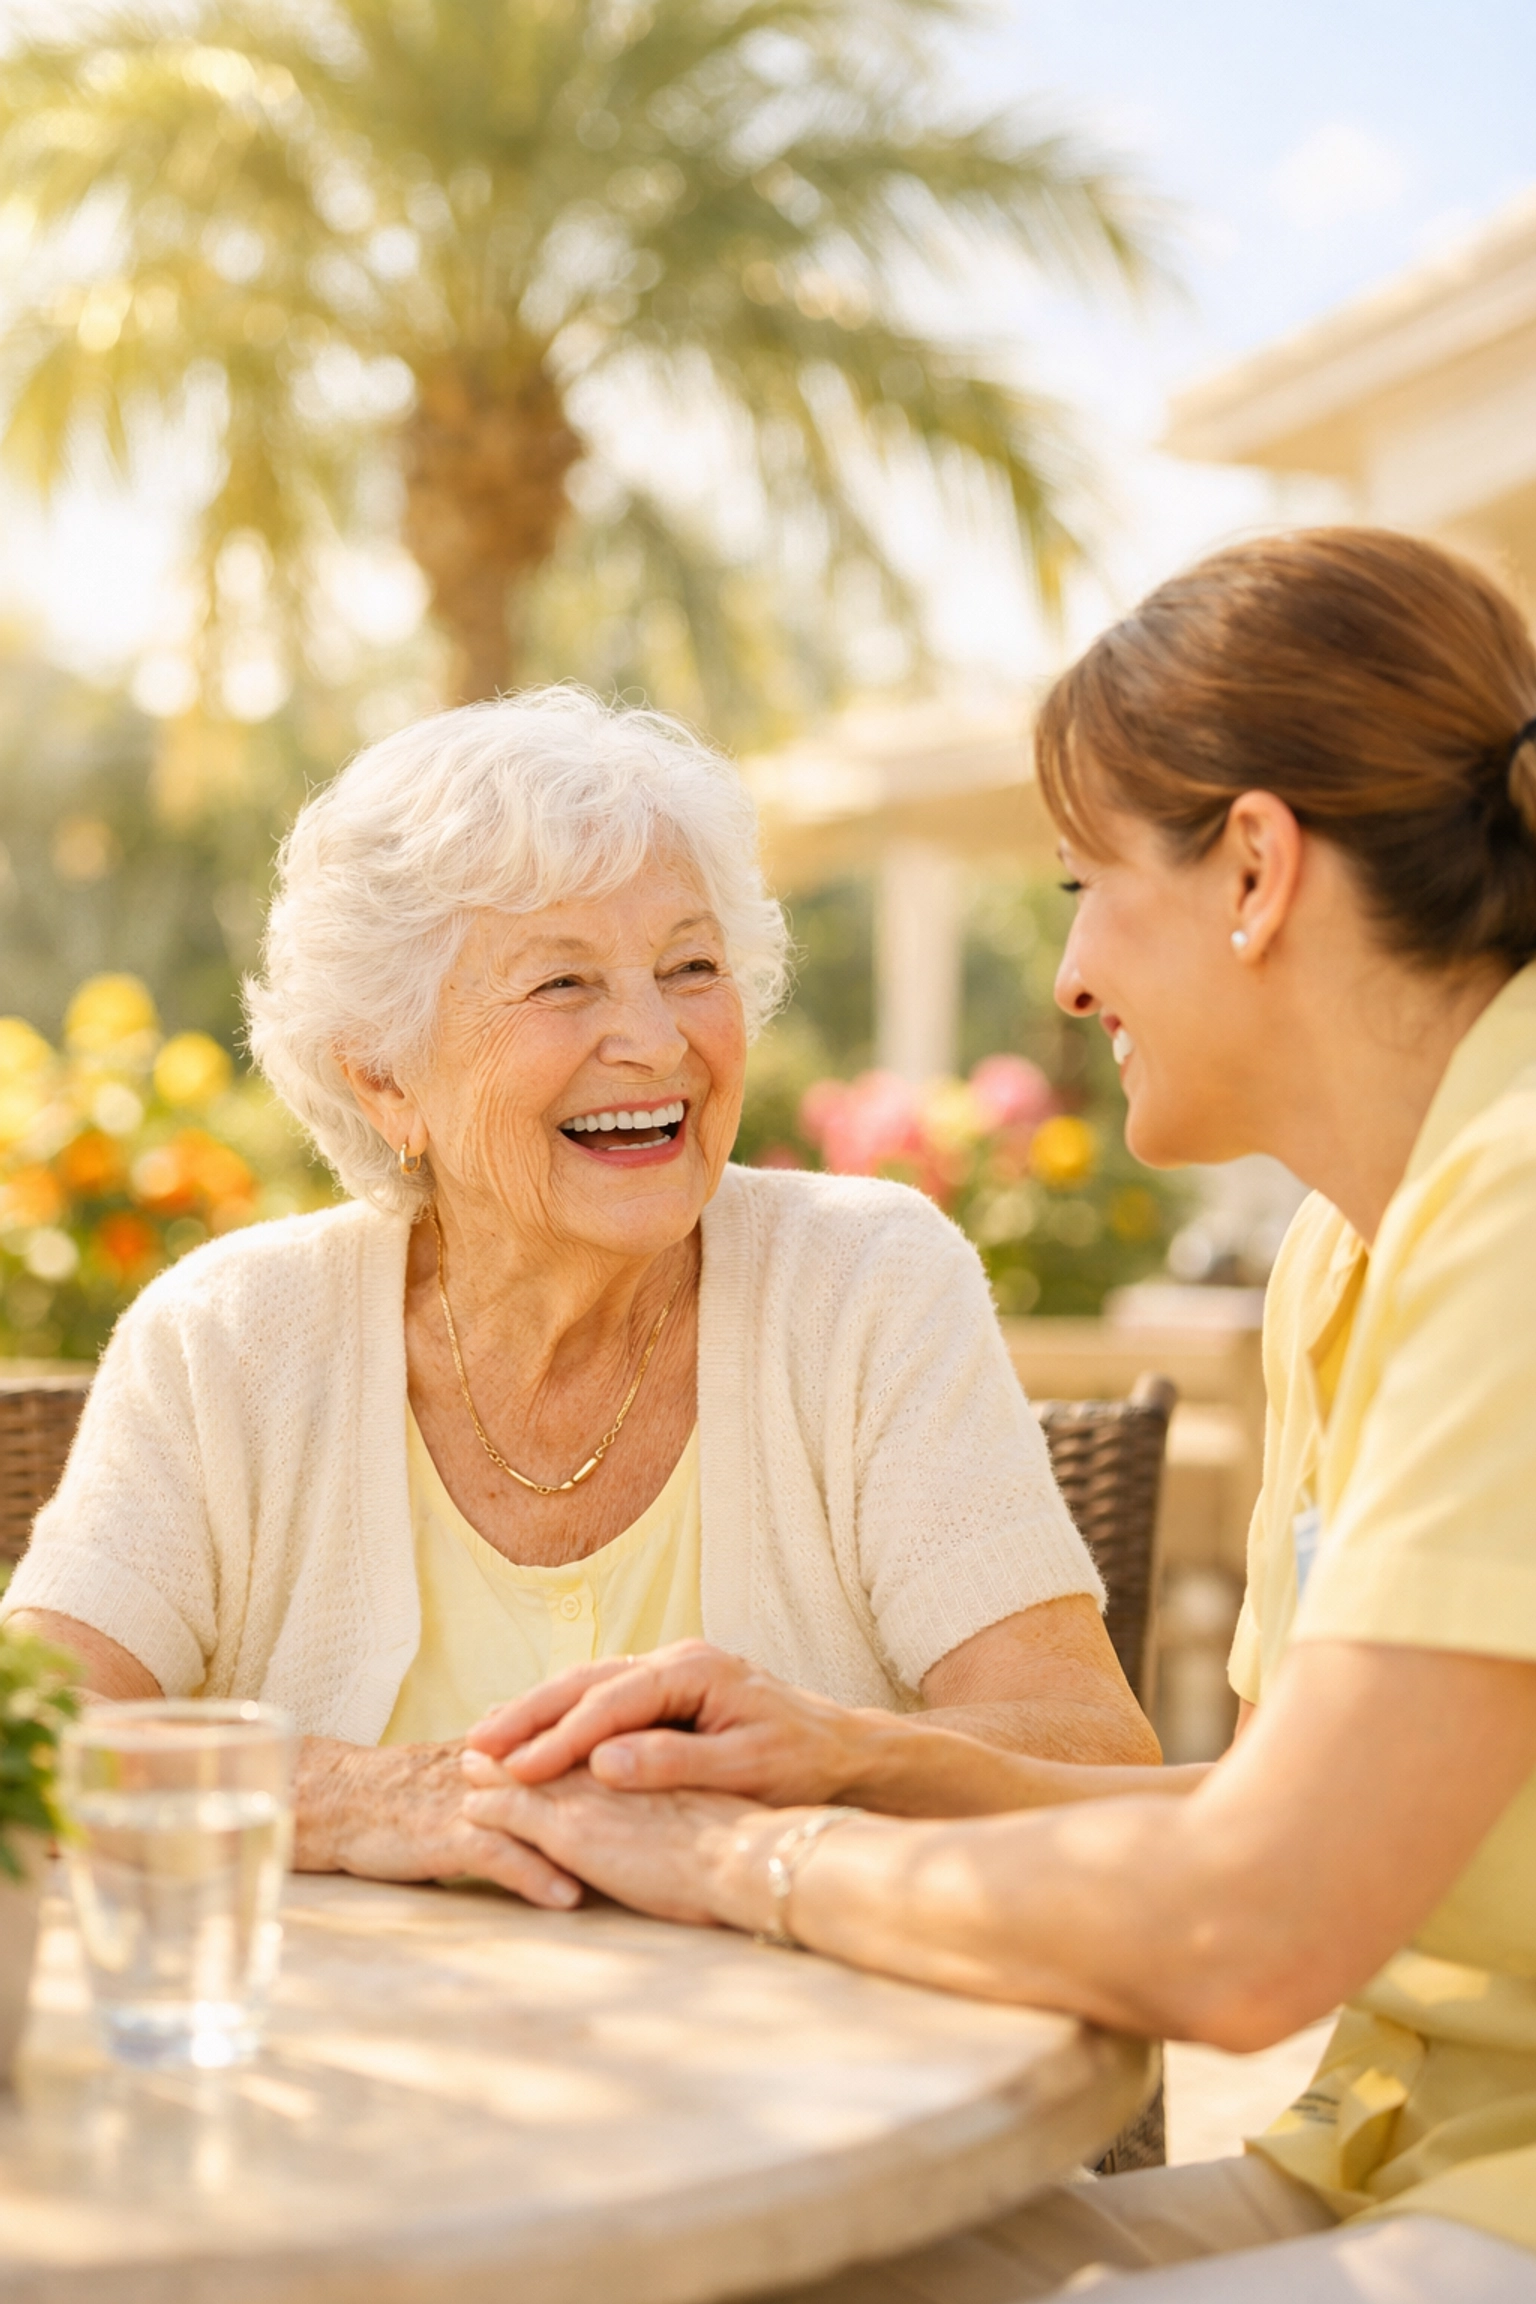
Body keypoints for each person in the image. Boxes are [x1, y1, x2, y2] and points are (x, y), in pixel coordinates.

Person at [458, 532, 1536, 2300]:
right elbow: (1283, 1805)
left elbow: (1250, 1924)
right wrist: (863, 1756)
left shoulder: (1516, 1201)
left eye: (1080, 889)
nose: (1072, 982)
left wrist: (753, 1856)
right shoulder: (1350, 1249)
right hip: (1384, 2155)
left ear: (1255, 867)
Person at [0, 688, 1154, 1900]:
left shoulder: (866, 1285)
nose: (656, 1042)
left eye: (690, 966)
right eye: (564, 985)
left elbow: (1093, 1755)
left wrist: (830, 1757)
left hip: (809, 2074)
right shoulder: (226, 1340)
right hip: (330, 2072)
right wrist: (344, 1793)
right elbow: (28, 1743)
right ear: (386, 1078)